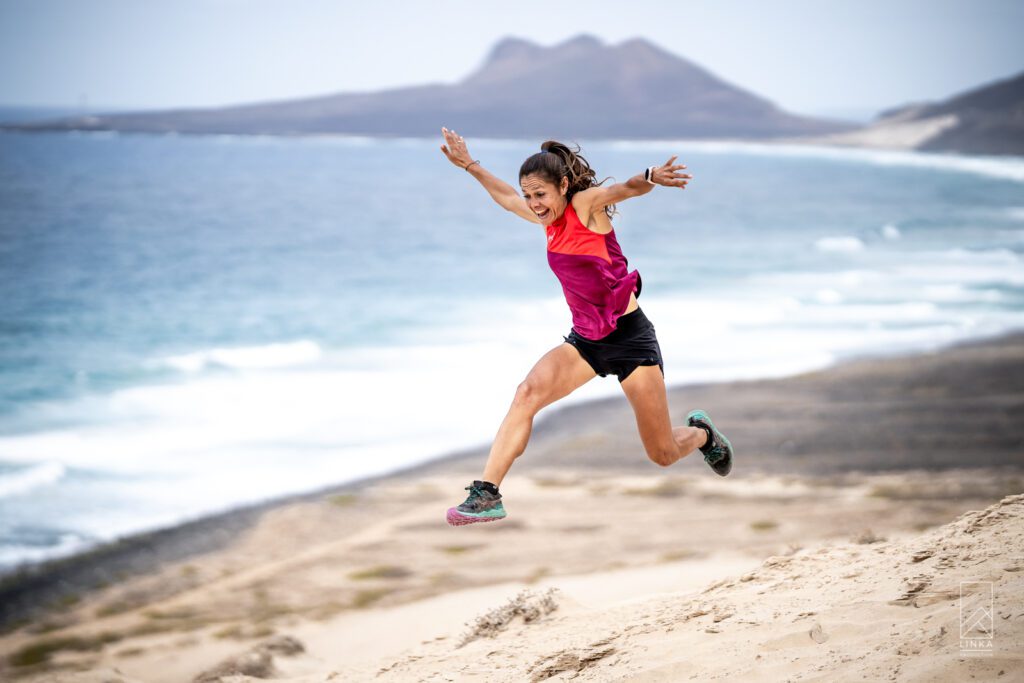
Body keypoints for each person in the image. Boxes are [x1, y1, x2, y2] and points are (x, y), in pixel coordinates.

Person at [439, 127, 733, 527]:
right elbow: (507, 198)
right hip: (586, 342)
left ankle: (703, 434)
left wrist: (650, 176)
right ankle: (487, 493)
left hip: (630, 340)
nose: (534, 204)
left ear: (563, 186)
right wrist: (470, 165)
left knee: (662, 453)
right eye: (530, 196)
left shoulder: (584, 207)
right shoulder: (547, 220)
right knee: (526, 393)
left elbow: (625, 189)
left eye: (540, 195)